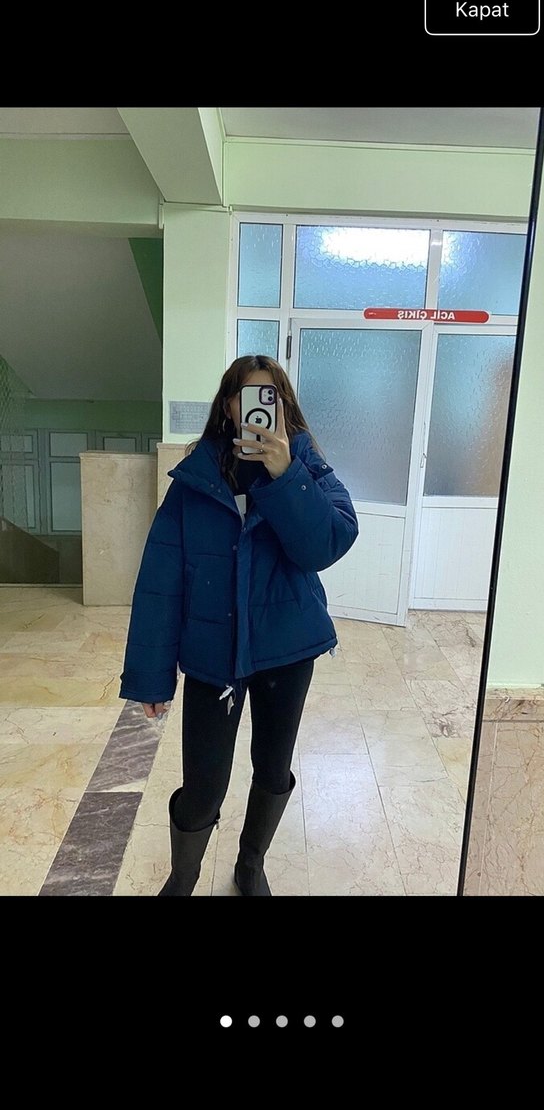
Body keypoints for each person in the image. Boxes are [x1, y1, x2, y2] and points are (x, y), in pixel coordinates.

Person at [119, 355, 359, 896]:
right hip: (213, 654)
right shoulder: (195, 479)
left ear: (284, 407)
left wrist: (286, 475)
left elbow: (324, 546)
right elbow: (160, 580)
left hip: (286, 649)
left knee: (272, 769)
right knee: (203, 785)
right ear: (228, 406)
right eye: (246, 396)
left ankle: (251, 864)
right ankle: (183, 876)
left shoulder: (306, 467)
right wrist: (151, 676)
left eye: (270, 396)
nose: (257, 407)